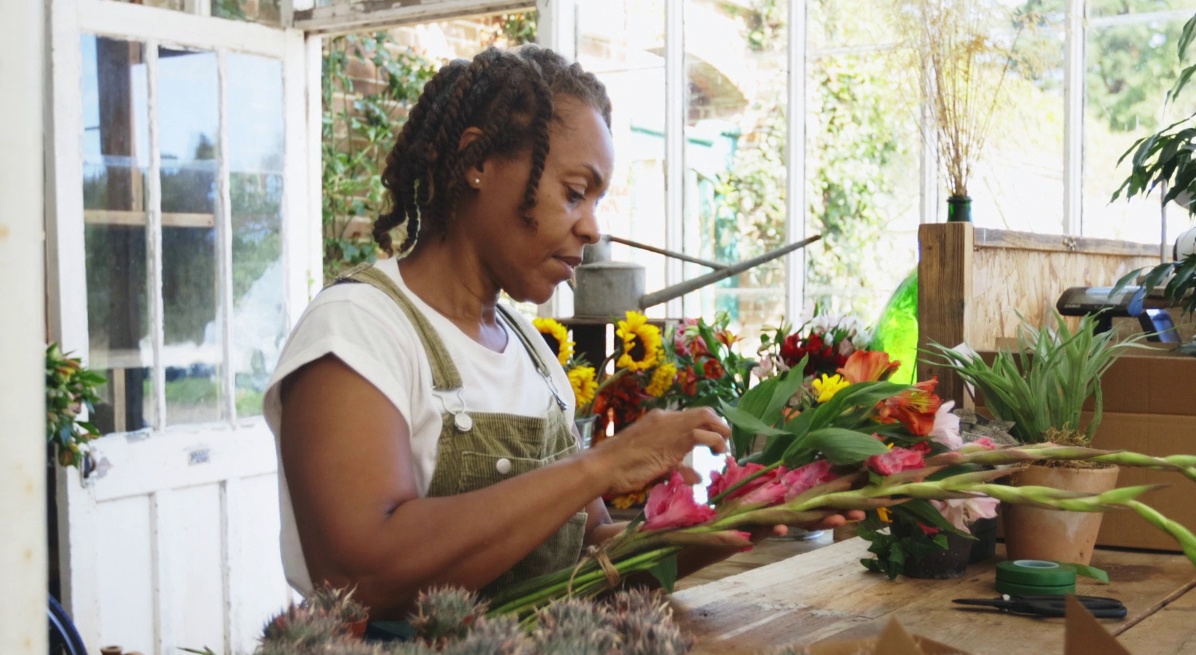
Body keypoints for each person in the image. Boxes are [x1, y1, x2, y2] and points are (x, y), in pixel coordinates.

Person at [264, 45, 859, 620]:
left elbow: (589, 560)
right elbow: (360, 574)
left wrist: (733, 521)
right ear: (476, 163)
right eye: (575, 193)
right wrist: (601, 465)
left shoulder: (530, 355)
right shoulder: (359, 332)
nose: (592, 229)